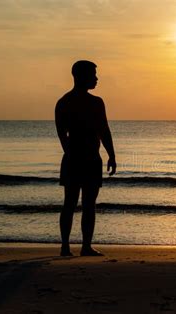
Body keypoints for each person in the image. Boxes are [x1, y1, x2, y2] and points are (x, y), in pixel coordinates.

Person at [55, 60, 116, 256]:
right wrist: (110, 155)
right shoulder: (70, 103)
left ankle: (80, 246)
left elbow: (103, 131)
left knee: (80, 203)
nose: (96, 78)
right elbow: (63, 134)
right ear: (81, 76)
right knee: (75, 203)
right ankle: (70, 246)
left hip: (84, 158)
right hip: (82, 158)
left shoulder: (69, 102)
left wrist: (111, 155)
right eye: (93, 75)